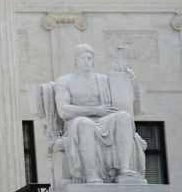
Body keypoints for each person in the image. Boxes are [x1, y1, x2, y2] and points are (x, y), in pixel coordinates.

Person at [51, 44, 147, 184]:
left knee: (123, 117)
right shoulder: (65, 81)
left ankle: (124, 170)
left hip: (104, 119)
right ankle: (91, 174)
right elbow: (63, 110)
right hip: (76, 121)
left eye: (89, 58)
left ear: (93, 61)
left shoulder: (104, 80)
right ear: (75, 60)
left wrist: (125, 77)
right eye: (83, 58)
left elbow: (123, 98)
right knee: (85, 123)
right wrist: (95, 110)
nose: (86, 61)